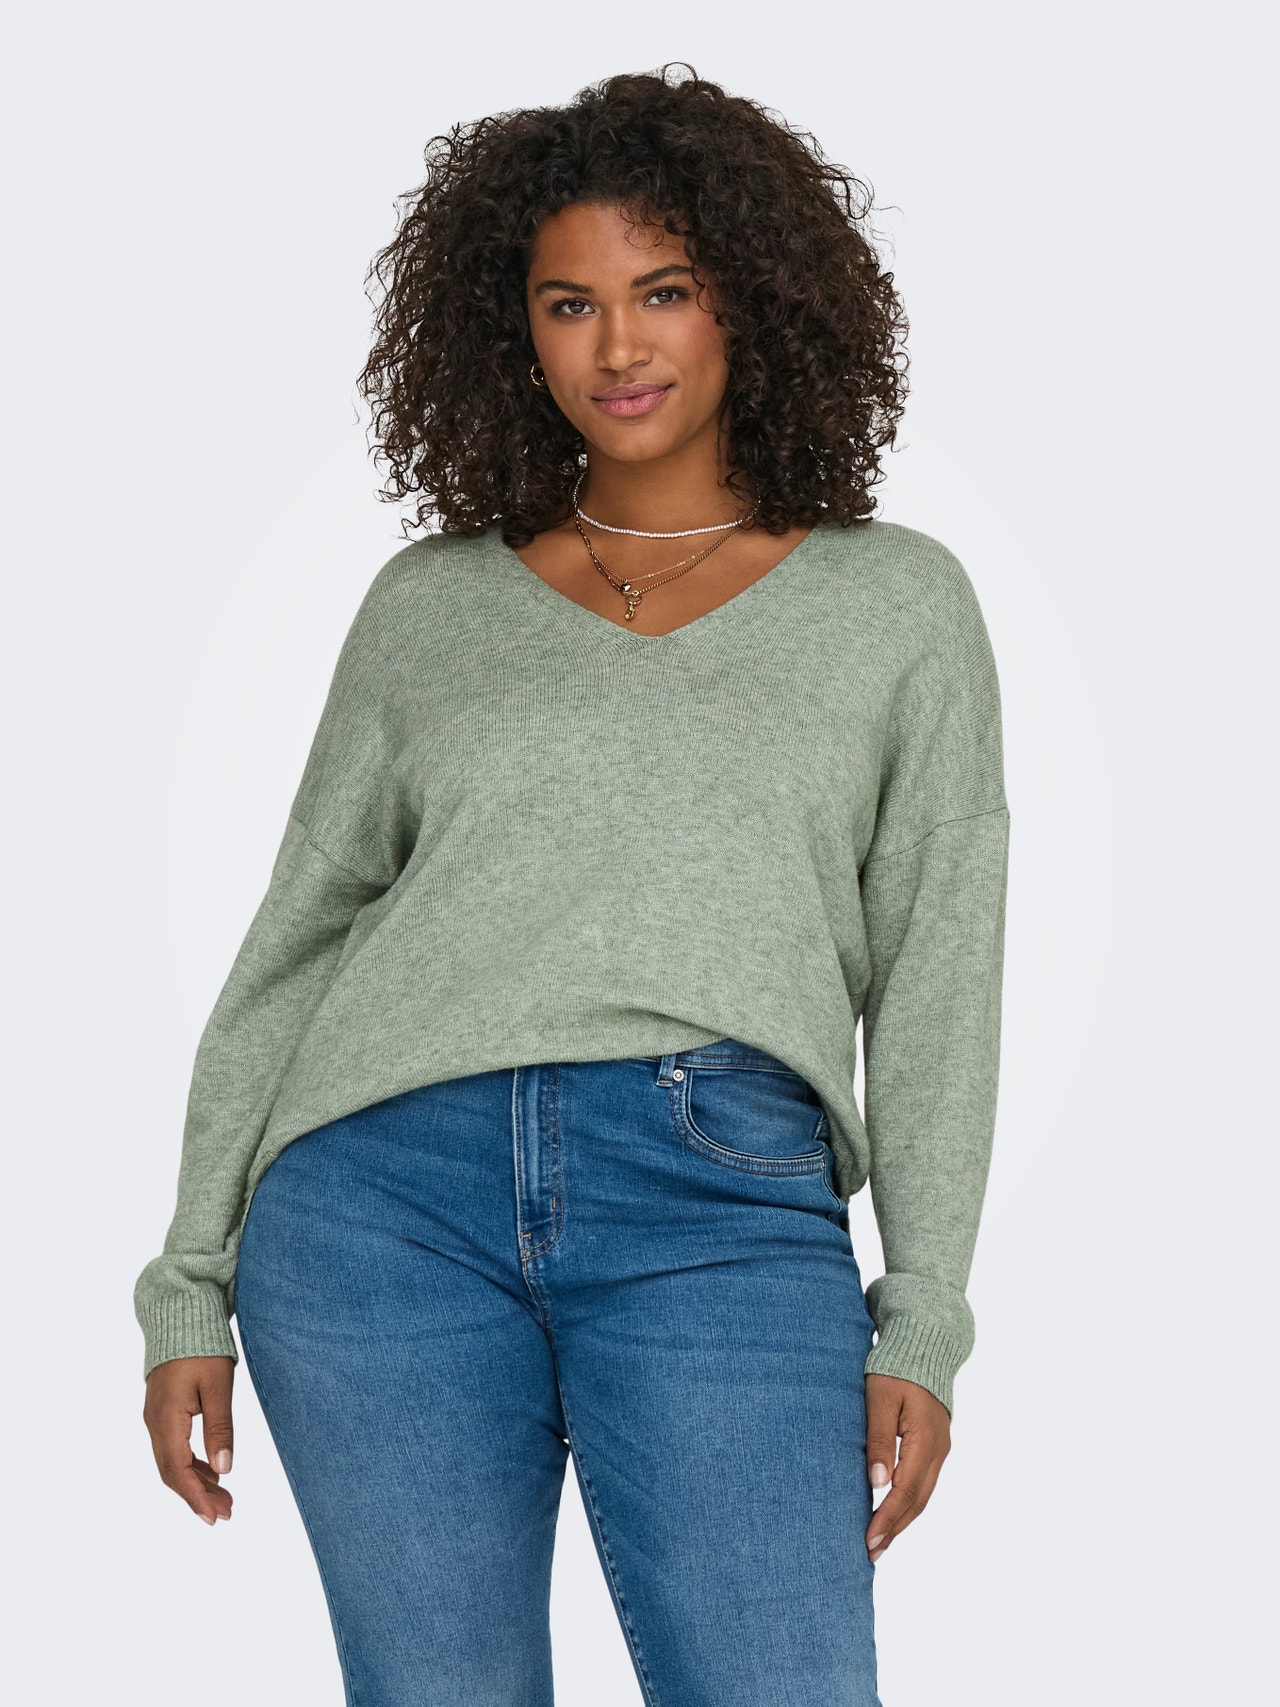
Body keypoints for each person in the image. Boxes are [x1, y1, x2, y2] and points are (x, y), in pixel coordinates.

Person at [135, 64, 1010, 1707]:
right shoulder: (430, 605)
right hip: (378, 1201)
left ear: (752, 300)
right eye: (569, 304)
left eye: (663, 290)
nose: (618, 346)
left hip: (719, 1197)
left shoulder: (897, 605)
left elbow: (941, 969)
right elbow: (300, 937)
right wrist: (188, 1278)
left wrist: (924, 1318)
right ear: (513, 333)